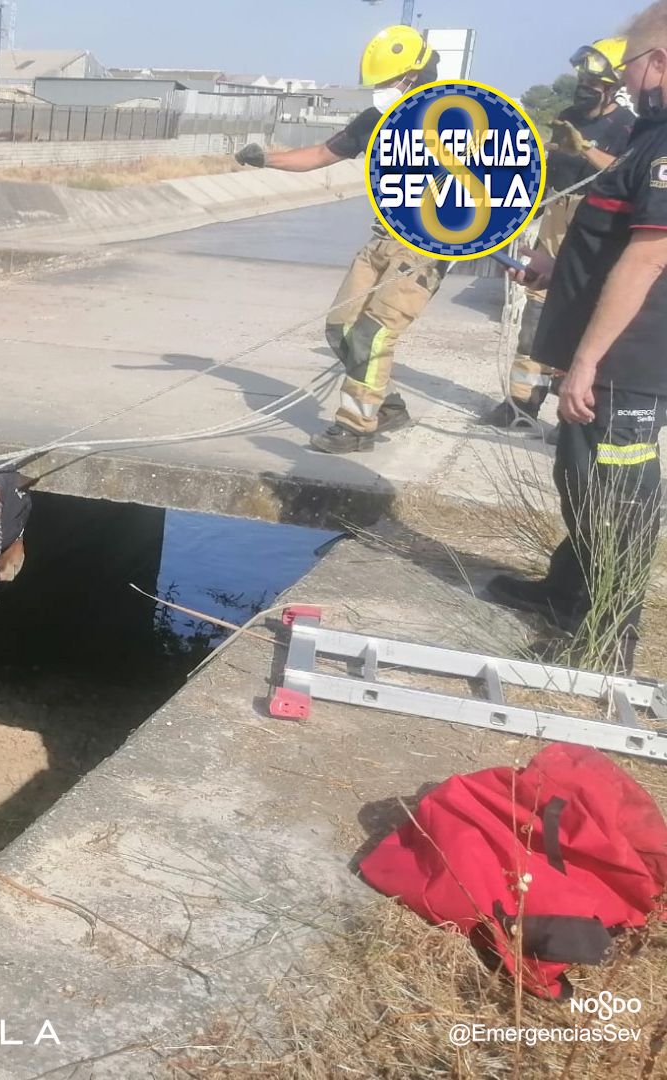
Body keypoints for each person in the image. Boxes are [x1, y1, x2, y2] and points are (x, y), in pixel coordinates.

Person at [486, 5, 667, 670]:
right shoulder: (648, 135)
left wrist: (588, 359)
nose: (623, 82)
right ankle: (566, 593)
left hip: (629, 359)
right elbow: (612, 236)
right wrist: (553, 265)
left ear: (659, 62)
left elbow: (649, 257)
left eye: (631, 67)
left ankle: (610, 633)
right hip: (606, 355)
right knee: (582, 478)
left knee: (619, 493)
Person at [233, 26, 446, 455]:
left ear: (414, 75)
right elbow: (318, 154)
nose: (382, 90)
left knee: (373, 334)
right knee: (342, 328)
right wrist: (266, 159)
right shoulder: (375, 121)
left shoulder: (452, 117)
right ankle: (387, 406)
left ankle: (355, 426)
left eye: (389, 81)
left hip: (425, 247)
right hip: (383, 237)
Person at [487, 38, 639, 430]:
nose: (584, 86)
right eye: (582, 79)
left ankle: (571, 414)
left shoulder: (628, 126)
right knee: (536, 316)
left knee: (581, 319)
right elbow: (549, 171)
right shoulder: (569, 116)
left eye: (593, 81)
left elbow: (626, 174)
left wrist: (584, 147)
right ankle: (522, 403)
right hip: (557, 216)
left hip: (593, 223)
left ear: (614, 85)